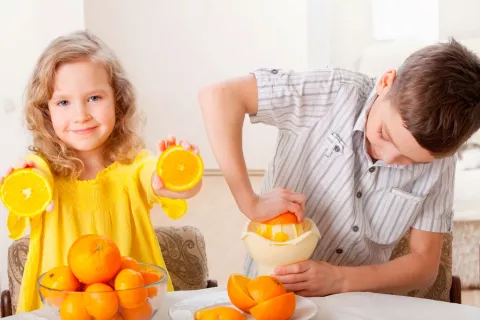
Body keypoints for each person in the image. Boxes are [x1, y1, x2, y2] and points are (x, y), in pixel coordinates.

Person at [198, 39, 480, 297]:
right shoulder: (331, 91)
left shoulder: (440, 161)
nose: (389, 157)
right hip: (269, 296)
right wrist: (250, 202)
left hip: (357, 303)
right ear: (386, 82)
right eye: (386, 134)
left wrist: (341, 280)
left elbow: (423, 266)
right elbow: (219, 96)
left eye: (412, 161)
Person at [0, 31, 202, 312]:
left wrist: (178, 173)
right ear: (46, 112)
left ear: (118, 100)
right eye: (63, 102)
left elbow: (167, 183)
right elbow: (33, 183)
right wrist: (25, 179)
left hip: (131, 308)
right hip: (61, 310)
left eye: (94, 97)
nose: (81, 114)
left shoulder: (135, 166)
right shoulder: (44, 171)